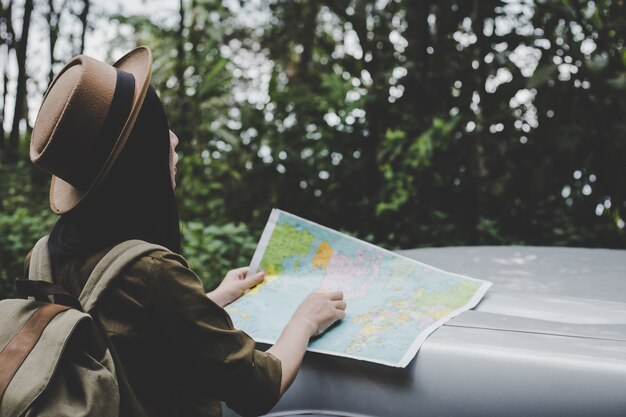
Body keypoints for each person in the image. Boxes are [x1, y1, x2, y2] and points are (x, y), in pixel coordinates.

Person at [25, 46, 346, 417]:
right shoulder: (153, 273)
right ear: (138, 156)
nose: (174, 139)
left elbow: (120, 334)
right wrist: (304, 320)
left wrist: (215, 297)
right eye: (160, 128)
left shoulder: (43, 257)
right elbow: (258, 387)